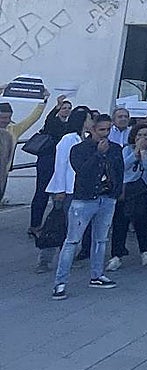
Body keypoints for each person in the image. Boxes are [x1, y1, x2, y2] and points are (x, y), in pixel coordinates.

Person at [51, 114, 124, 299]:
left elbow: (118, 171)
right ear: (92, 130)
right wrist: (98, 154)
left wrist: (115, 194)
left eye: (108, 130)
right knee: (72, 240)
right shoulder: (79, 149)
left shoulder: (115, 148)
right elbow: (82, 171)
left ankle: (97, 275)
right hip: (84, 199)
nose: (105, 134)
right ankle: (60, 283)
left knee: (100, 239)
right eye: (101, 130)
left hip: (106, 198)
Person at [28, 96, 72, 234]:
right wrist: (57, 106)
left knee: (58, 193)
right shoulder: (53, 122)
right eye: (64, 108)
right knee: (42, 192)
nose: (66, 110)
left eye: (69, 108)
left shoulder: (69, 125)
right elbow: (49, 119)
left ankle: (55, 224)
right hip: (48, 160)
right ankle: (35, 225)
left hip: (60, 162)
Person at [117, 121, 147, 266]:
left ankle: (144, 251)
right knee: (121, 221)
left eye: (145, 135)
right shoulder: (127, 150)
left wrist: (144, 152)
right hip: (128, 189)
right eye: (139, 135)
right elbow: (123, 166)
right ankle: (117, 254)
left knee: (142, 220)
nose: (142, 138)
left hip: (146, 190)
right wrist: (135, 153)